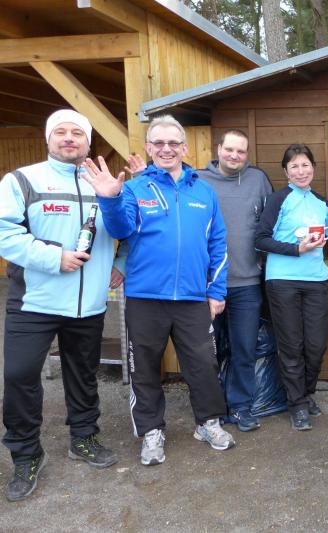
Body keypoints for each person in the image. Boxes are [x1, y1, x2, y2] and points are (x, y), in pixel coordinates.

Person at [82, 114, 234, 466]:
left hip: (193, 298)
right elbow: (120, 228)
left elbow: (218, 243)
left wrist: (216, 291)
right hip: (145, 298)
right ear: (149, 148)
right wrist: (109, 199)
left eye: (173, 143)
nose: (167, 149)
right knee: (145, 368)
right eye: (159, 143)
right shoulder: (136, 188)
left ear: (184, 148)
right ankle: (151, 431)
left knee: (203, 365)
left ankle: (208, 423)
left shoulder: (204, 191)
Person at [0, 110, 124, 501]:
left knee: (83, 374)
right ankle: (26, 453)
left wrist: (118, 260)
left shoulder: (103, 182)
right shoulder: (22, 180)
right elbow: (5, 233)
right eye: (60, 132)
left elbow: (129, 230)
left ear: (88, 141)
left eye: (77, 133)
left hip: (88, 304)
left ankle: (84, 437)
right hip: (35, 301)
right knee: (19, 375)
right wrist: (55, 258)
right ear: (48, 138)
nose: (69, 138)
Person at [255, 144, 328, 431]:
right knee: (291, 346)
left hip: (316, 280)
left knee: (316, 346)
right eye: (294, 166)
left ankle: (304, 395)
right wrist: (296, 248)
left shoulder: (320, 202)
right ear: (286, 171)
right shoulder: (278, 200)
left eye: (305, 165)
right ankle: (297, 405)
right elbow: (260, 239)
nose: (300, 171)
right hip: (282, 281)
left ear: (314, 169)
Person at [196, 129, 273, 432]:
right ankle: (212, 410)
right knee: (207, 353)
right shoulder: (198, 181)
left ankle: (241, 407)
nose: (234, 155)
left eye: (241, 151)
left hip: (247, 283)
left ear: (247, 154)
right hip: (206, 286)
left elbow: (270, 223)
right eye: (229, 149)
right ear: (219, 149)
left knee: (244, 350)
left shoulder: (258, 180)